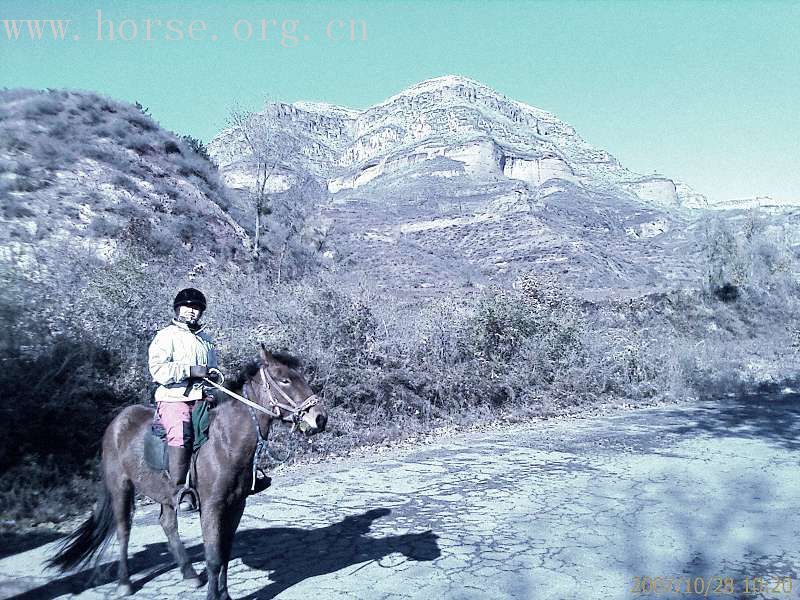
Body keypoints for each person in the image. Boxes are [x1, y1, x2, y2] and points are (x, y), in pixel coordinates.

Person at [148, 288, 223, 512]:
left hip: (202, 397)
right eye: (188, 307)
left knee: (226, 427)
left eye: (197, 308)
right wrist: (191, 370)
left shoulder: (206, 340)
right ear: (178, 309)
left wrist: (213, 378)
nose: (192, 312)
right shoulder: (165, 336)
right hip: (173, 397)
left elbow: (212, 369)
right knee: (182, 434)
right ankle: (179, 489)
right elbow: (158, 370)